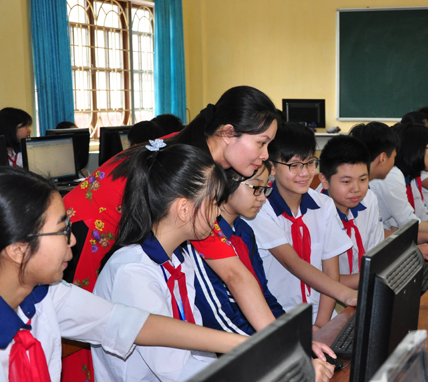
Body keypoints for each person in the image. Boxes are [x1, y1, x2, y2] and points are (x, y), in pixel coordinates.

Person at [61, 86, 282, 380]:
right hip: (87, 236)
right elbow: (235, 274)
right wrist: (279, 350)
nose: (265, 154)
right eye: (261, 143)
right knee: (82, 337)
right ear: (228, 133)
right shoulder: (193, 181)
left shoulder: (200, 175)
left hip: (121, 239)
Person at [0, 166, 247, 382]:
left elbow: (134, 324)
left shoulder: (48, 296)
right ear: (18, 250)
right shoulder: (129, 270)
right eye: (62, 230)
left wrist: (242, 346)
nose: (73, 240)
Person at [247, 122, 357, 332]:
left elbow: (330, 270)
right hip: (278, 317)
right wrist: (345, 293)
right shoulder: (260, 208)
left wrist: (321, 325)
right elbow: (292, 263)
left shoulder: (323, 204)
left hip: (321, 313)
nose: (305, 173)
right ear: (271, 167)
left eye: (309, 163)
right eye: (294, 165)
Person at [186, 162, 285, 334]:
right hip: (230, 344)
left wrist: (292, 334)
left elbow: (263, 294)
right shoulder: (202, 237)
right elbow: (218, 320)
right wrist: (280, 346)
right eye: (256, 187)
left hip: (257, 337)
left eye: (265, 189)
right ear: (226, 183)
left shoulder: (244, 231)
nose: (262, 197)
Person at [317, 135, 385, 289]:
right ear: (325, 180)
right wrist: (373, 276)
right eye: (346, 182)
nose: (356, 189)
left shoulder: (369, 199)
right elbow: (316, 279)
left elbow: (378, 253)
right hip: (329, 297)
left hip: (367, 288)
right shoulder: (314, 214)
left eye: (363, 179)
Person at [369, 124, 428, 255]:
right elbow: (407, 222)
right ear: (417, 149)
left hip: (388, 238)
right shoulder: (392, 174)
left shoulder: (410, 176)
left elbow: (420, 212)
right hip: (381, 245)